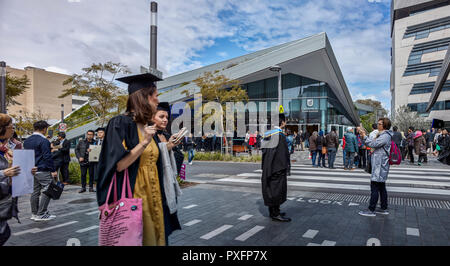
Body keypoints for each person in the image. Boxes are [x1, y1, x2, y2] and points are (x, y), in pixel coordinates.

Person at [96, 72, 181, 246]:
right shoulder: (120, 123)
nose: (157, 101)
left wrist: (168, 146)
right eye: (155, 96)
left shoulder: (148, 126)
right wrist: (144, 142)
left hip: (155, 194)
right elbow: (118, 165)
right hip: (134, 195)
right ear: (144, 97)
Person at [0, 114, 37, 245]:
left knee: (4, 232)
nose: (13, 130)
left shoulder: (7, 149)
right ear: (2, 128)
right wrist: (4, 172)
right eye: (11, 126)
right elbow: (6, 171)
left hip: (5, 198)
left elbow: (14, 169)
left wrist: (28, 171)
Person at [152, 102, 183, 242]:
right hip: (155, 188)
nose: (165, 119)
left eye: (166, 117)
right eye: (161, 116)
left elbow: (177, 158)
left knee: (166, 230)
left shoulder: (165, 134)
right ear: (152, 117)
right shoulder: (147, 136)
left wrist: (173, 146)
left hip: (168, 185)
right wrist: (167, 147)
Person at [24, 120, 58, 222]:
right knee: (48, 189)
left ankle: (34, 213)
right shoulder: (44, 141)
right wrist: (53, 170)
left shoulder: (27, 140)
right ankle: (41, 213)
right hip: (42, 169)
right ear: (44, 129)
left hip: (31, 170)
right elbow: (47, 156)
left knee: (35, 191)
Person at [359, 118, 393, 217]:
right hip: (380, 165)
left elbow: (373, 144)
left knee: (374, 187)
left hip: (380, 165)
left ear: (384, 125)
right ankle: (383, 207)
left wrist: (365, 136)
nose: (377, 125)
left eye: (379, 124)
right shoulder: (383, 135)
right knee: (382, 187)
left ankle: (371, 209)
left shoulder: (385, 136)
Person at [261, 113, 291, 222]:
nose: (286, 123)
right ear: (282, 122)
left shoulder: (267, 134)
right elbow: (282, 154)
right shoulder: (279, 135)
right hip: (277, 168)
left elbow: (264, 152)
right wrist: (284, 168)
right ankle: (276, 213)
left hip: (268, 167)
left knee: (271, 190)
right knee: (277, 190)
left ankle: (272, 212)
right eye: (285, 121)